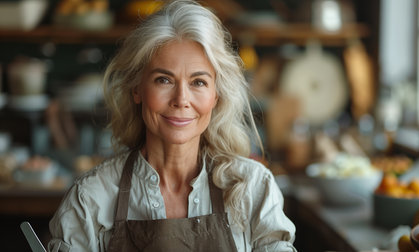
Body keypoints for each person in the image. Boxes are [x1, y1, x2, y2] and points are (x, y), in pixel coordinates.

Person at [48, 0, 297, 251]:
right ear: (137, 88)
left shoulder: (253, 189)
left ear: (216, 95)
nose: (181, 100)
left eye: (198, 82)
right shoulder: (91, 197)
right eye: (164, 80)